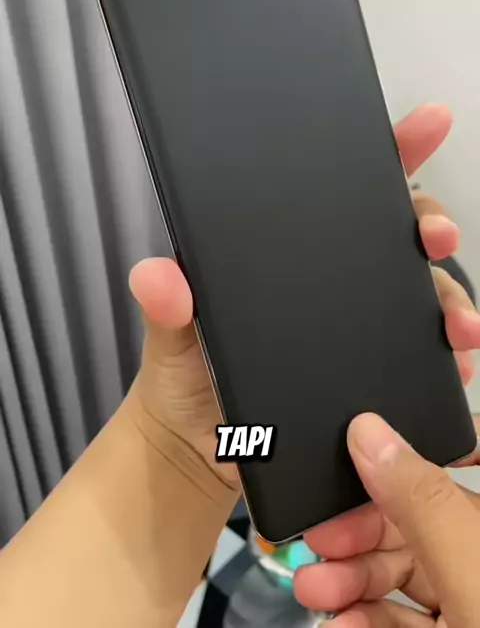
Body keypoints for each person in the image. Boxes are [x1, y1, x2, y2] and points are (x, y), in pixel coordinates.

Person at [0, 104, 479, 627]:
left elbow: (219, 450)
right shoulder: (228, 444)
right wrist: (182, 452)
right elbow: (221, 448)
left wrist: (184, 454)